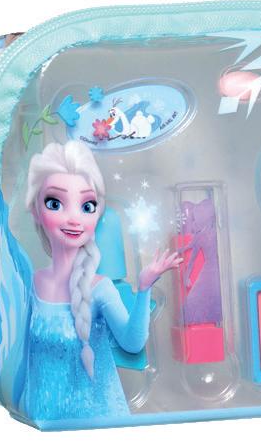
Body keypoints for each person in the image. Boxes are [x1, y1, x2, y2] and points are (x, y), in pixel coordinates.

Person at [21, 140, 181, 418]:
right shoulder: (29, 285)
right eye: (55, 203)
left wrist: (144, 287)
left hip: (99, 419)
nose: (74, 219)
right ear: (35, 209)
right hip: (44, 416)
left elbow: (132, 342)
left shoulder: (100, 289)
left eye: (87, 206)